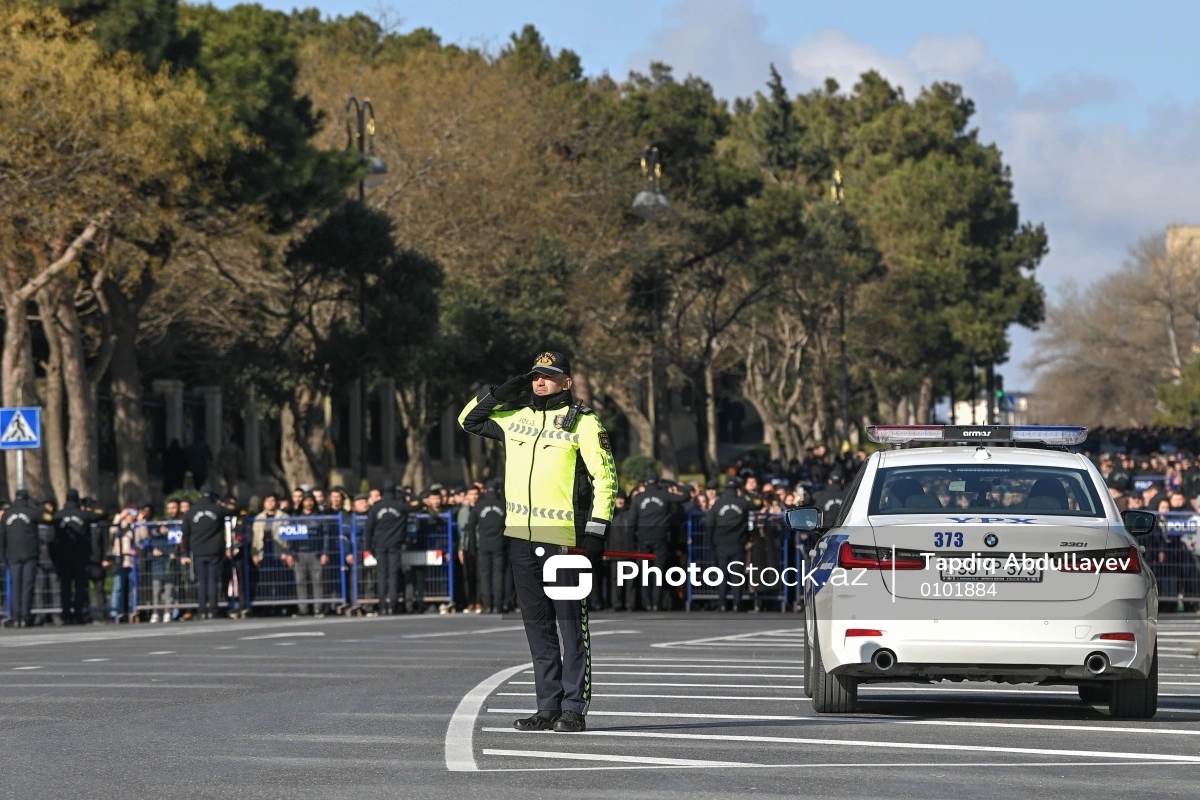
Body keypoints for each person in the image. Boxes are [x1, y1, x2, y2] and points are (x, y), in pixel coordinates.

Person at [458, 350, 618, 733]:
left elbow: (607, 479)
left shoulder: (584, 422)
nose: (539, 381)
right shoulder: (516, 417)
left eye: (548, 375)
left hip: (563, 539)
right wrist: (501, 392)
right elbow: (468, 420)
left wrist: (596, 531)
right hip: (520, 537)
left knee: (571, 627)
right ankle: (547, 706)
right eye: (534, 375)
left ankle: (573, 708)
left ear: (567, 382)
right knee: (537, 626)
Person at [363, 482, 413, 616]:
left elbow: (368, 528)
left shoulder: (375, 508)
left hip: (379, 545)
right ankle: (393, 604)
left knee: (382, 574)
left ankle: (382, 604)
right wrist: (406, 494)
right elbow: (418, 505)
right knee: (393, 574)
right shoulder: (400, 506)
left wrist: (368, 546)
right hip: (395, 544)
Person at [629, 471, 676, 612]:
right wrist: (674, 485)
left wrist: (632, 541)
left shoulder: (638, 499)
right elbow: (685, 496)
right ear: (658, 482)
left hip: (643, 539)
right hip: (660, 538)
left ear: (645, 483)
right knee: (658, 572)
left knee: (645, 572)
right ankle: (656, 602)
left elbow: (631, 522)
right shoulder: (664, 495)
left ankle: (647, 603)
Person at [180, 487, 228, 620]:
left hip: (198, 550)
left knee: (201, 581)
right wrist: (221, 502)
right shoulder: (218, 510)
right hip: (215, 549)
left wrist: (185, 552)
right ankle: (213, 609)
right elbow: (232, 511)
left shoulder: (191, 512)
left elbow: (185, 533)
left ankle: (201, 609)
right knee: (213, 580)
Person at [706, 477, 753, 612]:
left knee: (722, 574)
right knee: (736, 574)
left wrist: (709, 542)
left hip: (720, 543)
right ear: (737, 489)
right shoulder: (743, 503)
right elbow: (757, 504)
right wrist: (745, 492)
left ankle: (722, 603)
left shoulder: (718, 504)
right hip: (738, 543)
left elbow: (710, 523)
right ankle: (737, 604)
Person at [52, 489, 96, 625]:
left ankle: (65, 614)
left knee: (65, 586)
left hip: (63, 556)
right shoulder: (83, 515)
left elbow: (53, 537)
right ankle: (78, 614)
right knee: (80, 586)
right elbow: (102, 514)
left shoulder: (58, 515)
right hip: (80, 556)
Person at [465, 479, 507, 614]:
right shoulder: (503, 505)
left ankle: (487, 605)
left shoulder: (479, 506)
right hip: (499, 545)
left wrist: (472, 546)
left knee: (484, 575)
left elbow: (470, 527)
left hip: (483, 545)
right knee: (498, 575)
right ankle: (498, 605)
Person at [1, 489, 41, 627]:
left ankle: (15, 616)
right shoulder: (31, 512)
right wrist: (36, 503)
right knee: (27, 586)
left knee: (15, 586)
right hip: (30, 553)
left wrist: (2, 555)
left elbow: (2, 536)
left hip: (12, 554)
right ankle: (25, 616)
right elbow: (46, 517)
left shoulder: (7, 514)